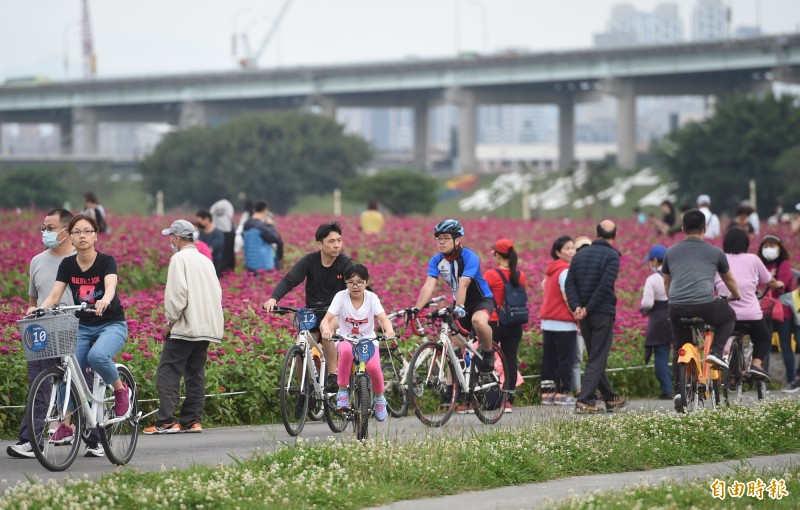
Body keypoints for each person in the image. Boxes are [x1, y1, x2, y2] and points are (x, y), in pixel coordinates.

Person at [38, 214, 131, 445]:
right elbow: (55, 295)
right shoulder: (67, 264)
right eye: (77, 231)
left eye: (87, 231)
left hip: (111, 323)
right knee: (69, 368)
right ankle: (66, 423)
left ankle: (121, 390)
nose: (82, 236)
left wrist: (105, 300)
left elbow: (110, 286)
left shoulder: (106, 261)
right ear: (70, 237)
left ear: (96, 236)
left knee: (97, 356)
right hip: (83, 325)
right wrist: (39, 310)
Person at [8, 209, 78, 459]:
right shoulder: (37, 261)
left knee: (83, 384)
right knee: (39, 384)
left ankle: (94, 437)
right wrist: (31, 308)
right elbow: (33, 298)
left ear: (66, 230)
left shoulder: (81, 259)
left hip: (76, 329)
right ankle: (31, 440)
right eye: (43, 228)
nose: (45, 232)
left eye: (50, 228)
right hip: (43, 331)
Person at [143, 220, 224, 434]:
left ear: (176, 238)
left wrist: (170, 321)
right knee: (195, 372)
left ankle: (166, 421)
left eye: (171, 236)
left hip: (185, 325)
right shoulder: (205, 260)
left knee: (168, 370)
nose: (170, 240)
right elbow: (217, 293)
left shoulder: (179, 259)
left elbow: (177, 294)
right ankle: (191, 420)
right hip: (205, 326)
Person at [661, 209, 741, 412]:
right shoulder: (715, 252)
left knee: (680, 345)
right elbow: (729, 279)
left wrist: (674, 301)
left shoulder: (670, 252)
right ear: (705, 228)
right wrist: (735, 294)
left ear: (682, 229)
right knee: (728, 317)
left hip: (676, 306)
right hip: (704, 304)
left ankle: (679, 391)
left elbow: (667, 282)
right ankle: (714, 352)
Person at [263, 221, 354, 391]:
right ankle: (304, 388)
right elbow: (290, 279)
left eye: (339, 241)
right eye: (331, 241)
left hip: (337, 315)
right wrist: (274, 298)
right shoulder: (309, 261)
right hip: (313, 313)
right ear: (320, 244)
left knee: (326, 330)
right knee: (302, 345)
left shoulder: (345, 263)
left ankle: (332, 375)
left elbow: (359, 284)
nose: (336, 245)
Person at [411, 219, 496, 374]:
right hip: (460, 302)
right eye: (439, 238)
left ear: (457, 240)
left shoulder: (470, 257)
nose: (441, 242)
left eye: (446, 238)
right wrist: (417, 308)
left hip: (481, 300)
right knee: (454, 349)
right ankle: (451, 391)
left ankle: (489, 352)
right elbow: (429, 284)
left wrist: (459, 308)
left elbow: (463, 284)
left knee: (478, 321)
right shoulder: (436, 260)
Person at [319, 264, 395, 422]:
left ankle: (380, 398)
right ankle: (342, 391)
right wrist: (326, 330)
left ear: (367, 283)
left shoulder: (372, 298)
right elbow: (326, 320)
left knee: (373, 367)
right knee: (346, 352)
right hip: (346, 339)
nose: (355, 286)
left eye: (360, 282)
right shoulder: (341, 296)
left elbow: (383, 318)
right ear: (346, 283)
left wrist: (389, 330)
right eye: (351, 282)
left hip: (367, 340)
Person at [565, 220, 626, 414]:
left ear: (596, 233)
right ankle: (584, 400)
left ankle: (610, 398)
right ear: (614, 236)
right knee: (598, 357)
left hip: (583, 313)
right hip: (601, 312)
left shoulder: (579, 256)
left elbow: (570, 284)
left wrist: (577, 307)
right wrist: (588, 308)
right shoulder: (612, 256)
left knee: (594, 356)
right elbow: (605, 285)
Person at [714, 228, 783, 382]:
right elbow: (769, 281)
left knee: (720, 336)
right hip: (750, 314)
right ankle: (756, 365)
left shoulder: (720, 259)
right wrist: (778, 284)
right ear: (746, 244)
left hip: (726, 314)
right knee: (764, 338)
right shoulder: (753, 259)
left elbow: (713, 284)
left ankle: (728, 373)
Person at [482, 238, 527, 412]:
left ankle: (483, 399)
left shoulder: (491, 275)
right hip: (515, 323)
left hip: (494, 322)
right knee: (510, 359)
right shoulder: (519, 275)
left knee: (485, 358)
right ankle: (508, 399)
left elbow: (483, 296)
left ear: (497, 255)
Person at [757, 234, 798, 391]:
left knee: (785, 345)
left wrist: (768, 280)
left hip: (783, 312)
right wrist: (770, 279)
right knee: (764, 346)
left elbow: (781, 284)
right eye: (766, 246)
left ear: (780, 248)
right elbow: (757, 283)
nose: (769, 249)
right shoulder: (759, 263)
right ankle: (763, 381)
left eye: (773, 246)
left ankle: (791, 381)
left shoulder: (784, 265)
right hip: (764, 310)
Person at [539, 236, 577, 406]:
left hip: (548, 322)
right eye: (567, 248)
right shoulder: (565, 271)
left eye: (573, 248)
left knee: (549, 358)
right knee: (565, 359)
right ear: (558, 252)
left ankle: (546, 394)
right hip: (564, 323)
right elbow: (568, 298)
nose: (571, 251)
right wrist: (578, 317)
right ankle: (562, 393)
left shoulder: (551, 271)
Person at [640, 245, 672, 400]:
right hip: (676, 315)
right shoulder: (675, 275)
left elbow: (647, 304)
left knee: (661, 356)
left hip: (659, 320)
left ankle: (667, 390)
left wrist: (644, 310)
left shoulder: (652, 279)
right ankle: (683, 386)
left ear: (654, 260)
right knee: (681, 353)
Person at [242, 200, 282, 274]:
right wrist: (271, 225)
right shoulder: (261, 227)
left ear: (254, 210)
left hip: (249, 263)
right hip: (262, 264)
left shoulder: (246, 224)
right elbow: (275, 239)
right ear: (265, 210)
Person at [209, 198, 235, 274]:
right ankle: (227, 270)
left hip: (217, 228)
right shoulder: (228, 206)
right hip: (228, 231)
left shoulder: (215, 207)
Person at [196, 210, 224, 275]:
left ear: (207, 219)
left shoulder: (218, 233)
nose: (199, 222)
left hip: (215, 262)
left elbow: (211, 249)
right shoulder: (201, 233)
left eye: (200, 220)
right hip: (201, 263)